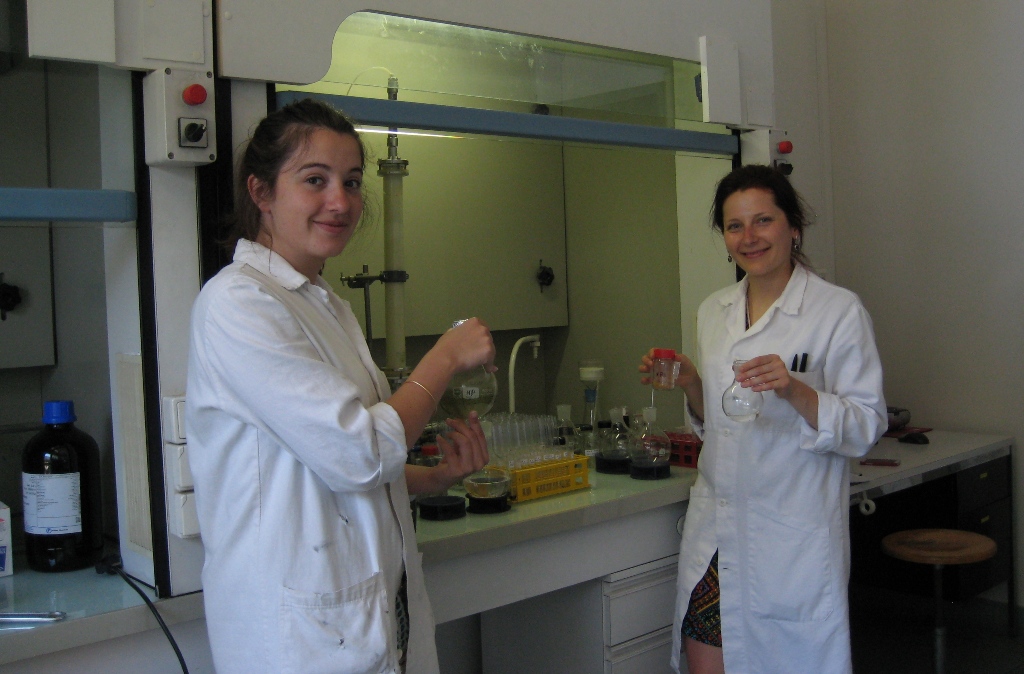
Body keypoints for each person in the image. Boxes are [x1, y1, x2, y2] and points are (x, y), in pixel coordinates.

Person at [185, 98, 495, 674]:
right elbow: (360, 452)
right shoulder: (237, 303)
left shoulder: (323, 303)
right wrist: (446, 357)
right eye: (315, 180)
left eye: (351, 182)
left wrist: (433, 478)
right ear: (260, 192)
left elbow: (331, 466)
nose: (340, 201)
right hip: (298, 639)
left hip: (365, 618)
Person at [639, 165, 886, 674]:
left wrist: (794, 389)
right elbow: (719, 426)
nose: (749, 237)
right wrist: (692, 382)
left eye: (763, 221)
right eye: (735, 226)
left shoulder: (838, 311)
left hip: (789, 539)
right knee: (705, 659)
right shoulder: (714, 311)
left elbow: (865, 425)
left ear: (793, 227)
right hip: (717, 531)